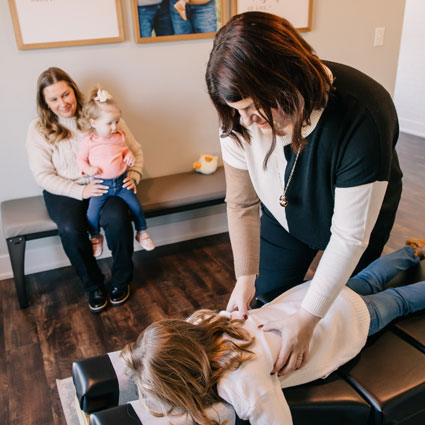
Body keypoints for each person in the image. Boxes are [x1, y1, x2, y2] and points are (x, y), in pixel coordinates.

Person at [205, 12, 403, 374]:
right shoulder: (238, 120)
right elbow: (242, 202)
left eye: (253, 107)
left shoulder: (363, 115)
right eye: (237, 111)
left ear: (284, 80)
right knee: (271, 296)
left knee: (347, 305)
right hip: (284, 214)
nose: (246, 121)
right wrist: (244, 277)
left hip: (356, 222)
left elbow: (348, 237)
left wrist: (308, 319)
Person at [122, 239, 425, 425]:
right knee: (368, 279)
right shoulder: (201, 323)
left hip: (344, 321)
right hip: (314, 298)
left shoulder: (242, 384)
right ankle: (411, 250)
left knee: (398, 302)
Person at [26, 67, 143, 313]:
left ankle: (121, 281)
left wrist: (133, 174)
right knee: (70, 228)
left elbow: (135, 150)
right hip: (64, 190)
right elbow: (43, 175)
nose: (63, 103)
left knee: (117, 218)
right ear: (45, 103)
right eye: (54, 99)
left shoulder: (101, 114)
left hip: (107, 184)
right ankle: (93, 286)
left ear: (74, 91)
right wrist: (80, 192)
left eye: (66, 94)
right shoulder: (38, 130)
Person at [77, 87, 155, 257]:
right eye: (109, 123)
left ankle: (142, 232)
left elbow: (125, 150)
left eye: (116, 121)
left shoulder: (119, 136)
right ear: (93, 123)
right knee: (91, 213)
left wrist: (129, 157)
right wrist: (88, 168)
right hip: (101, 186)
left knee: (136, 207)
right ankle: (96, 237)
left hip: (121, 183)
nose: (114, 127)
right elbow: (80, 160)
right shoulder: (89, 141)